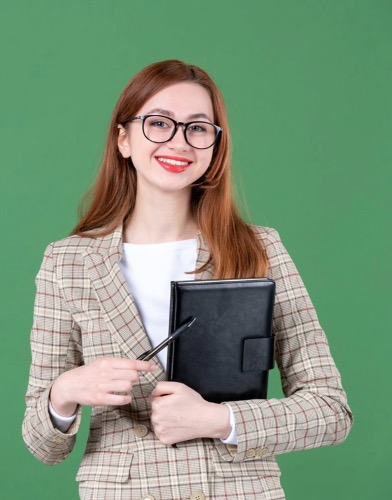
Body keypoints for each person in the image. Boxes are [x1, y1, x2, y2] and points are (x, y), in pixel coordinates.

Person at [21, 60, 352, 500]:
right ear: (123, 139)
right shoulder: (68, 262)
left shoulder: (258, 249)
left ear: (215, 145)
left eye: (197, 128)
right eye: (159, 123)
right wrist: (66, 391)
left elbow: (331, 411)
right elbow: (43, 445)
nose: (178, 141)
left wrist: (218, 420)